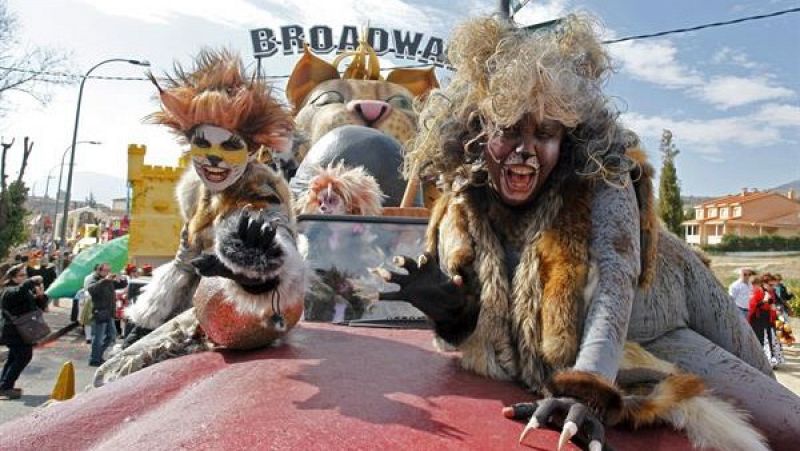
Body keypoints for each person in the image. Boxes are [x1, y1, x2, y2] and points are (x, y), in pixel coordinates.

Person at [379, 14, 800, 450]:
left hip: (655, 321)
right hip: (592, 341)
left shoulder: (605, 175)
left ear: (567, 138)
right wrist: (451, 313)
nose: (525, 150)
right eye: (509, 131)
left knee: (789, 424)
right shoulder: (462, 203)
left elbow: (615, 283)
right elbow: (487, 324)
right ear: (478, 134)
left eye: (545, 133)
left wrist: (588, 390)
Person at [0, 264, 48, 399]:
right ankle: (6, 386)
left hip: (23, 331)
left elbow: (38, 306)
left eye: (25, 275)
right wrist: (31, 281)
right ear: (12, 277)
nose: (24, 278)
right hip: (14, 331)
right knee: (23, 356)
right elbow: (18, 292)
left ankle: (4, 385)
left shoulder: (23, 290)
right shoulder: (9, 290)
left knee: (13, 358)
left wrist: (40, 296)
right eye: (21, 275)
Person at [84, 263, 127, 366]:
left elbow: (121, 285)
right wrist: (105, 280)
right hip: (100, 313)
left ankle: (98, 356)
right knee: (98, 338)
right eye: (105, 270)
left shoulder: (108, 280)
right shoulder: (94, 279)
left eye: (109, 270)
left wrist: (122, 278)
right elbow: (92, 290)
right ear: (99, 271)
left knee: (112, 336)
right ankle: (94, 359)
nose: (108, 272)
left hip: (109, 313)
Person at [749, 273, 785, 367]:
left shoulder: (770, 292)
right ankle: (761, 361)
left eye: (773, 285)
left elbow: (772, 304)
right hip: (758, 319)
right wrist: (764, 301)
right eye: (770, 285)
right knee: (761, 340)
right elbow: (752, 305)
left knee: (770, 339)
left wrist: (776, 309)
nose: (772, 287)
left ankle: (770, 361)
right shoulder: (757, 291)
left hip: (768, 318)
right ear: (763, 283)